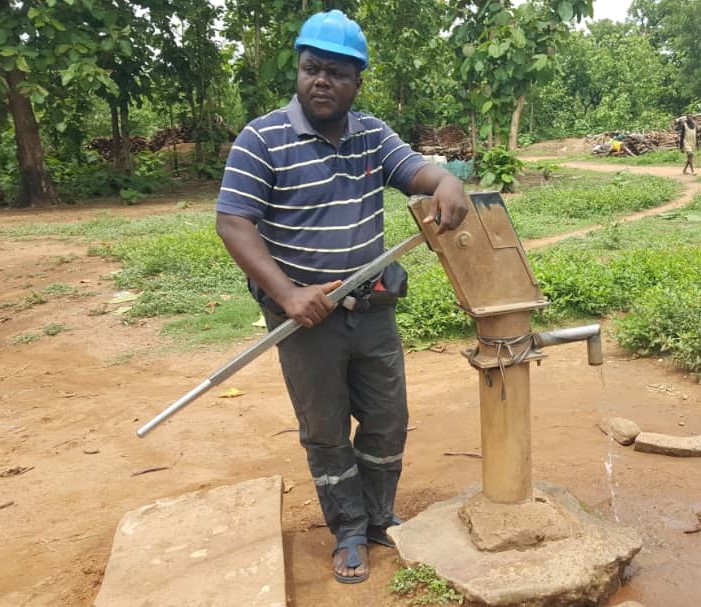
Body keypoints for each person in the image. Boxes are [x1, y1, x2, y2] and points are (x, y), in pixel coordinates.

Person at [215, 9, 468, 585]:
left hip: (373, 309)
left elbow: (417, 172)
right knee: (325, 428)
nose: (320, 81)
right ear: (298, 72)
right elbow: (234, 222)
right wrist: (288, 294)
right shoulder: (263, 138)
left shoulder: (373, 136)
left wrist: (448, 180)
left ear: (357, 82)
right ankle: (349, 529)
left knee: (386, 422)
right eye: (311, 69)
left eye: (334, 73)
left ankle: (380, 517)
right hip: (304, 321)